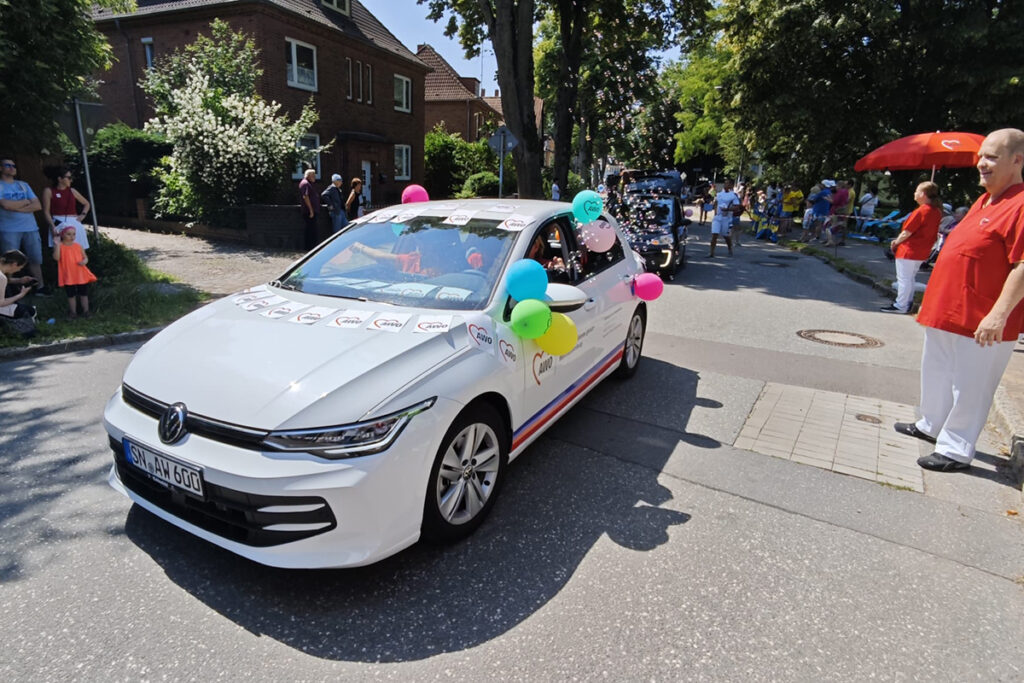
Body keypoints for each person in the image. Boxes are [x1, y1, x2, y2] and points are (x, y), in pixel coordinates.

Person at [894, 128, 1024, 472]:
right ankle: (930, 424)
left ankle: (955, 448)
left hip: (981, 318)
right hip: (947, 312)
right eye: (981, 155)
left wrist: (998, 315)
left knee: (972, 386)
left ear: (1017, 160)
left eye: (992, 157)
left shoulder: (1021, 203)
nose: (981, 163)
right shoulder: (985, 200)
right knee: (935, 371)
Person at [881, 181, 941, 314]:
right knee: (910, 278)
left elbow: (907, 232)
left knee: (904, 279)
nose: (914, 193)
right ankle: (907, 302)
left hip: (909, 249)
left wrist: (896, 242)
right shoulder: (936, 211)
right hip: (922, 250)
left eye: (917, 191)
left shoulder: (921, 211)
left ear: (923, 194)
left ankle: (900, 305)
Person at [0, 157, 49, 295]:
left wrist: (16, 207)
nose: (12, 168)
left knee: (35, 259)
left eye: (13, 166)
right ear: (1, 168)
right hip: (9, 229)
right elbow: (5, 205)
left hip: (30, 228)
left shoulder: (23, 185)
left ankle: (40, 287)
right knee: (10, 261)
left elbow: (37, 205)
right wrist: (26, 202)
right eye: (7, 165)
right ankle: (9, 290)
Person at [52, 224, 97, 319]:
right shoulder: (60, 246)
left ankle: (86, 311)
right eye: (69, 234)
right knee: (71, 295)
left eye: (74, 234)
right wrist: (57, 245)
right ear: (62, 234)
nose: (72, 236)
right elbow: (56, 258)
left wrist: (84, 261)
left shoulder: (78, 246)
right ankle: (73, 312)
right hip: (68, 275)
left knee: (83, 293)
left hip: (80, 274)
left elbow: (85, 257)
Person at [42, 167, 90, 250]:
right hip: (58, 222)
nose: (71, 180)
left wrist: (83, 215)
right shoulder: (49, 191)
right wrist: (53, 227)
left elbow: (86, 203)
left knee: (79, 250)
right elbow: (46, 212)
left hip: (74, 221)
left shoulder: (72, 191)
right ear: (60, 179)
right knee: (62, 251)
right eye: (69, 178)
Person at [0, 249, 37, 333]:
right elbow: (1, 303)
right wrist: (21, 294)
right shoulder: (2, 277)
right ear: (14, 264)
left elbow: (5, 281)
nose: (19, 270)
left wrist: (19, 280)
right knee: (28, 311)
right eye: (20, 268)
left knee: (28, 309)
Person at [709, 179, 740, 257]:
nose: (726, 185)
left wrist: (727, 209)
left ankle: (730, 248)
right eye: (725, 183)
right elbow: (715, 203)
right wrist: (715, 213)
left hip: (726, 218)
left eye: (728, 183)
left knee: (725, 236)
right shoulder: (719, 194)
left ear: (731, 186)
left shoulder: (733, 195)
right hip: (717, 218)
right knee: (714, 234)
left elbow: (737, 207)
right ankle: (711, 253)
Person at [298, 168, 319, 249]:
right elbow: (305, 196)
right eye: (313, 175)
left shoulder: (308, 183)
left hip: (311, 211)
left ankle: (311, 247)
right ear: (309, 175)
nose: (315, 177)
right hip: (309, 212)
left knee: (312, 229)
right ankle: (309, 248)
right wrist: (311, 210)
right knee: (310, 230)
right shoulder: (305, 183)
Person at [825, 179, 849, 246]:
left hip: (836, 210)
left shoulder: (839, 192)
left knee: (830, 225)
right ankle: (842, 240)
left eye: (836, 186)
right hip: (843, 209)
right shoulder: (846, 191)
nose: (836, 187)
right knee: (842, 225)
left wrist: (828, 199)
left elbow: (835, 202)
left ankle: (830, 240)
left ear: (839, 186)